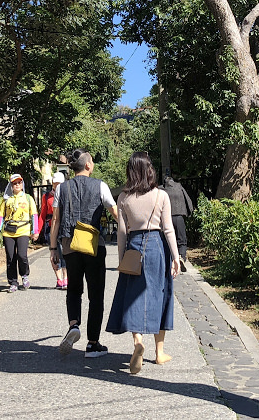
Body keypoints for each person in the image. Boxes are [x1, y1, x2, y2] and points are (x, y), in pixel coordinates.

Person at [107, 151, 180, 374]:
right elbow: (168, 228)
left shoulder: (123, 198)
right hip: (157, 246)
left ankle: (138, 340)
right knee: (160, 294)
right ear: (149, 170)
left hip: (134, 247)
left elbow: (121, 232)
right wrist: (176, 257)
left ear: (130, 171)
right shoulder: (161, 196)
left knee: (133, 296)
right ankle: (159, 353)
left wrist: (121, 259)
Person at [50, 149, 117, 358]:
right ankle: (92, 344)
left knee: (74, 289)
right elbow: (115, 212)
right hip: (93, 244)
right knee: (96, 293)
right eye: (92, 161)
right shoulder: (100, 186)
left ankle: (74, 325)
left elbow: (56, 220)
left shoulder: (62, 188)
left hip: (70, 245)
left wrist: (53, 249)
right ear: (87, 165)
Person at [0, 173, 39, 293]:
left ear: (22, 184)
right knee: (10, 258)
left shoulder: (28, 198)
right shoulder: (6, 200)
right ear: (11, 186)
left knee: (22, 255)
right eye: (15, 183)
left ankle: (24, 276)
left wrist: (35, 231)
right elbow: (0, 217)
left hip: (23, 230)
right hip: (9, 232)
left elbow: (34, 215)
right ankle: (13, 282)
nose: (17, 185)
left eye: (19, 182)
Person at [161, 174, 194, 270]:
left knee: (167, 239)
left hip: (166, 218)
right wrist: (189, 213)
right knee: (182, 240)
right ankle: (181, 257)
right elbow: (188, 201)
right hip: (179, 217)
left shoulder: (161, 190)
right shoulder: (179, 186)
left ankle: (169, 258)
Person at [42, 172, 68, 289]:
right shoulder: (47, 197)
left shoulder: (67, 195)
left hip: (63, 226)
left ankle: (66, 277)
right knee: (54, 251)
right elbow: (42, 214)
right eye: (55, 183)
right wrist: (36, 230)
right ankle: (59, 279)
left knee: (65, 252)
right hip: (50, 226)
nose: (57, 186)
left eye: (59, 184)